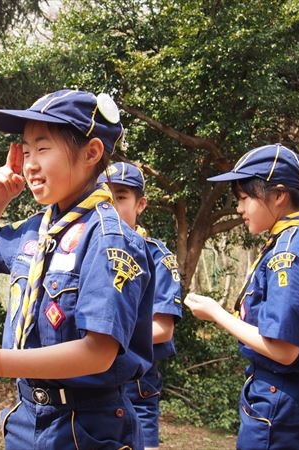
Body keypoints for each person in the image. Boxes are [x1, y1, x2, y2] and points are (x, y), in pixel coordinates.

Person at [0, 89, 155, 449]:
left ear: (91, 152)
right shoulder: (39, 228)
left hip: (86, 427)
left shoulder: (109, 239)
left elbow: (98, 352)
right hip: (28, 417)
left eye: (43, 149)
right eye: (26, 151)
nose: (29, 164)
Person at [184, 144, 299, 450]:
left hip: (283, 409)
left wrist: (216, 313)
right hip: (294, 401)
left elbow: (283, 349)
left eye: (244, 198)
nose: (239, 209)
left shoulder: (289, 254)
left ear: (278, 195)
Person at [98, 161, 182, 450]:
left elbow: (162, 329)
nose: (110, 205)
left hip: (135, 388)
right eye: (103, 196)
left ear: (141, 204)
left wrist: (103, 336)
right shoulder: (85, 249)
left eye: (120, 197)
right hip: (88, 390)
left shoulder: (156, 256)